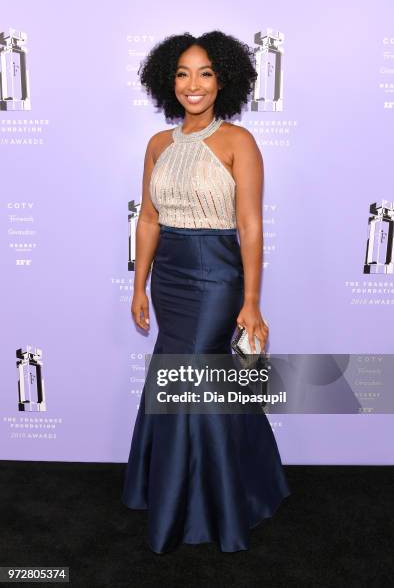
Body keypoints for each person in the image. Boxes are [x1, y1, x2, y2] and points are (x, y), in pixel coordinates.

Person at [121, 30, 290, 554]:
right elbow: (148, 219)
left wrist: (252, 301)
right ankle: (213, 485)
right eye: (183, 74)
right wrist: (139, 285)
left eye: (206, 73)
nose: (193, 85)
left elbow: (251, 227)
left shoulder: (239, 141)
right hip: (169, 275)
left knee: (199, 371)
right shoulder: (157, 145)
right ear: (168, 81)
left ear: (224, 82)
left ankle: (208, 502)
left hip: (217, 276)